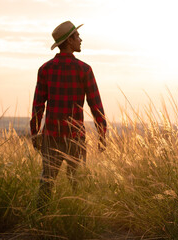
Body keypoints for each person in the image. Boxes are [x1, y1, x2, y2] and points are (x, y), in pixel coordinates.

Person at [30, 21, 107, 209]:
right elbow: (96, 106)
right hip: (75, 138)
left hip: (51, 137)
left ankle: (40, 221)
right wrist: (101, 135)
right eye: (77, 36)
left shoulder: (45, 69)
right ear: (70, 40)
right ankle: (79, 219)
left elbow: (38, 106)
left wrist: (35, 133)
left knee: (46, 182)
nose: (80, 39)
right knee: (78, 184)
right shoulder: (84, 69)